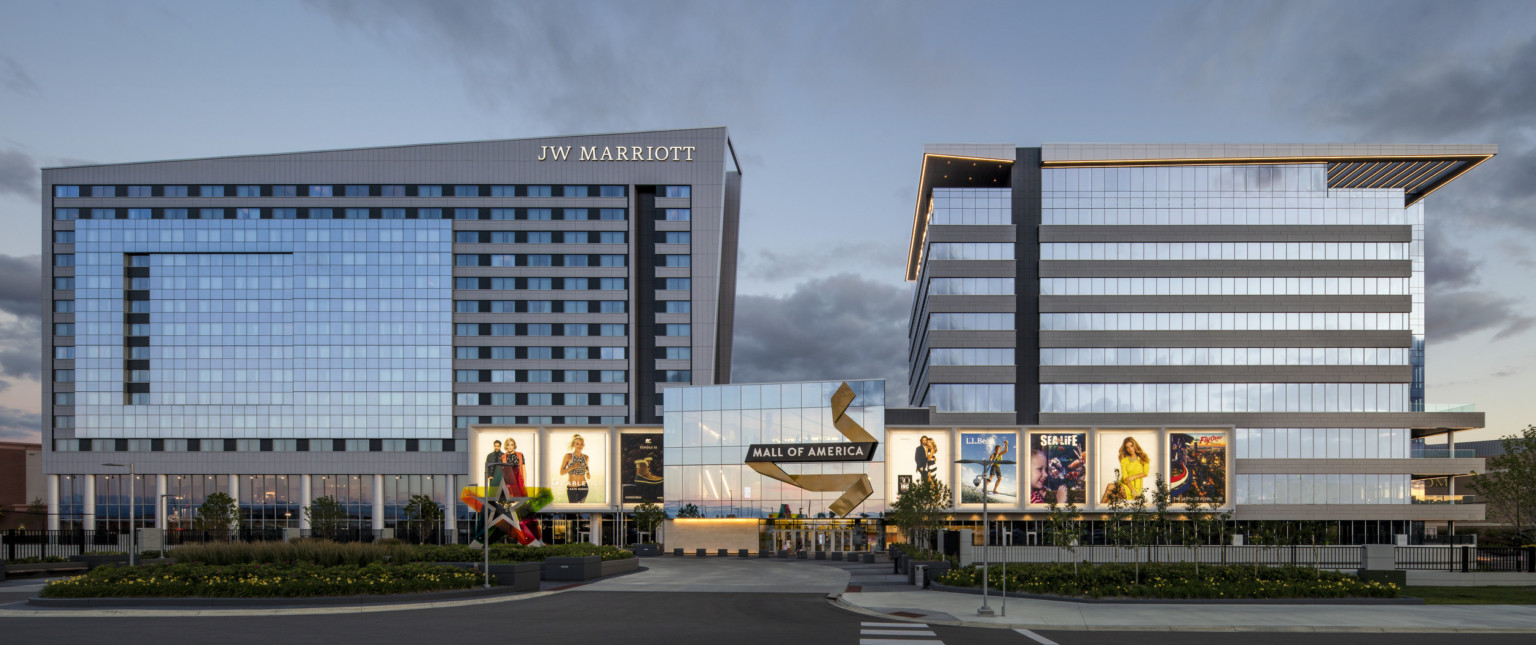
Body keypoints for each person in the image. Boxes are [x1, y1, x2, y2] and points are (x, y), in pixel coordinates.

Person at [560, 434, 591, 503]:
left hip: (583, 487)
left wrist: (588, 473)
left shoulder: (586, 457)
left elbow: (586, 468)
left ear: (583, 445)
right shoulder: (568, 456)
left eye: (581, 444)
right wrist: (573, 467)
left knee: (580, 508)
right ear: (574, 444)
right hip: (571, 487)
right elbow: (561, 472)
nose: (580, 446)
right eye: (577, 444)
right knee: (572, 509)